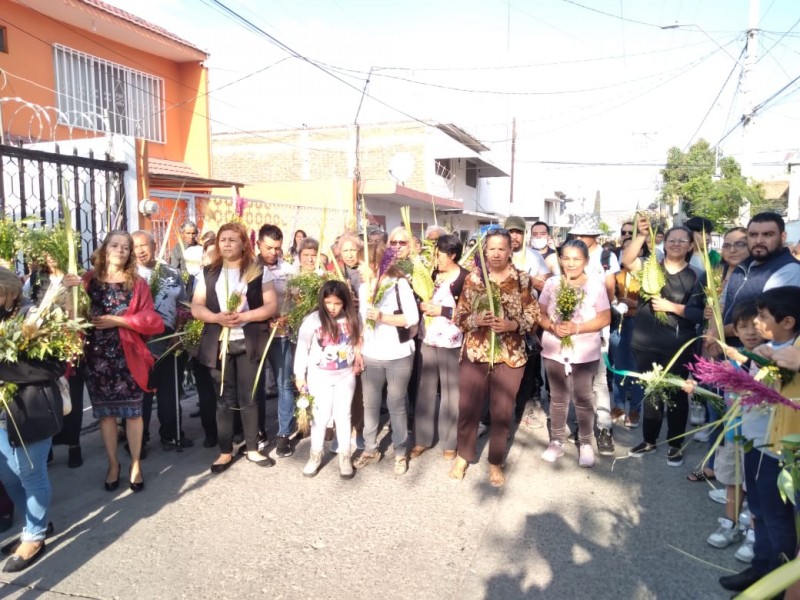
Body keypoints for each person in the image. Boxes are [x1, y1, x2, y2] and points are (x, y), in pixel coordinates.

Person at [719, 287, 800, 593]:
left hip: (784, 450)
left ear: (788, 321)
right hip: (760, 441)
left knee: (777, 518)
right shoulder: (771, 347)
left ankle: (778, 584)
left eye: (763, 317)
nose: (757, 324)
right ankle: (762, 567)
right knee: (759, 509)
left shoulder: (793, 349)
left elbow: (789, 368)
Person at [450, 228, 540, 487]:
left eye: (502, 248)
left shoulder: (522, 280)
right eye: (492, 249)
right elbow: (459, 316)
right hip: (476, 352)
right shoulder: (474, 279)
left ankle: (495, 461)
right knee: (468, 407)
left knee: (502, 412)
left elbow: (533, 315)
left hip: (509, 356)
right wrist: (475, 319)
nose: (497, 253)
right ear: (484, 251)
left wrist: (513, 326)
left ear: (511, 250)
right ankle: (463, 455)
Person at [191, 223, 278, 473]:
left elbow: (271, 305)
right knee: (223, 398)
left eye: (233, 240)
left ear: (243, 244)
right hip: (219, 342)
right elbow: (197, 306)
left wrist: (245, 316)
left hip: (248, 339)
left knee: (249, 397)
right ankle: (225, 451)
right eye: (223, 239)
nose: (227, 244)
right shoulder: (207, 272)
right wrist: (217, 317)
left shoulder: (258, 271)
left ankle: (252, 448)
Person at [83, 231, 164, 492]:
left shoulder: (136, 282)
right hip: (97, 357)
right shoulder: (88, 280)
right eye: (115, 245)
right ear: (105, 248)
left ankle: (136, 464)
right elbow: (74, 312)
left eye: (126, 247)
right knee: (106, 416)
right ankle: (113, 464)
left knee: (134, 414)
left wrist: (118, 321)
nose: (120, 250)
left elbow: (151, 320)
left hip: (128, 356)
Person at [622, 221, 706, 466]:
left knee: (678, 395)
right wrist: (642, 235)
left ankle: (675, 444)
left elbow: (700, 314)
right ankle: (649, 440)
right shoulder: (651, 268)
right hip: (646, 343)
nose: (676, 244)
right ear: (664, 242)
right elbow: (628, 260)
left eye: (682, 240)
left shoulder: (696, 277)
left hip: (678, 345)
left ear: (690, 245)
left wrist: (672, 307)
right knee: (652, 394)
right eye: (672, 239)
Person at [0, 268, 64, 572]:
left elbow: (54, 366)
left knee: (30, 473)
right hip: (1, 415)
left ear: (10, 292)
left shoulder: (34, 318)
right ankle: (33, 523)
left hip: (30, 409)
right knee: (8, 475)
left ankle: (35, 535)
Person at [538, 240, 611, 468]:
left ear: (586, 261)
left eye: (576, 259)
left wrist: (576, 328)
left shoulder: (596, 285)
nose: (571, 263)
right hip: (554, 350)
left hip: (584, 352)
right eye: (566, 258)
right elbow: (538, 314)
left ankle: (586, 442)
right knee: (558, 398)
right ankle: (557, 441)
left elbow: (605, 318)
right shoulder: (551, 284)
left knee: (583, 398)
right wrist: (552, 326)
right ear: (560, 259)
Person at [355, 242, 419, 475]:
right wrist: (359, 349)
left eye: (362, 263)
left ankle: (401, 452)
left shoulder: (399, 285)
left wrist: (382, 316)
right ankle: (370, 448)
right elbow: (362, 322)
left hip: (397, 355)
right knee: (369, 404)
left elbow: (412, 318)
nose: (358, 268)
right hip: (372, 354)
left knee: (396, 403)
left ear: (374, 264)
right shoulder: (363, 289)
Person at [294, 280, 363, 479]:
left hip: (345, 376)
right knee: (320, 416)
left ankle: (345, 457)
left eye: (337, 303)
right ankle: (315, 455)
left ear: (345, 303)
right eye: (328, 302)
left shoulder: (352, 318)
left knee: (343, 416)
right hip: (319, 376)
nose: (332, 308)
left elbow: (358, 341)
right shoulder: (313, 321)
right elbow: (302, 349)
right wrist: (300, 376)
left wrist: (358, 357)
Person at [131, 231, 192, 451]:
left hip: (168, 338)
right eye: (135, 246)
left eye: (144, 245)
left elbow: (183, 306)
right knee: (141, 394)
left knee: (169, 392)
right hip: (139, 341)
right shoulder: (128, 274)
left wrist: (178, 334)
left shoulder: (172, 272)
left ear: (155, 246)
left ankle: (171, 433)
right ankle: (139, 439)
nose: (139, 251)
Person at [412, 234, 469, 460]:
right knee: (425, 389)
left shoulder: (466, 278)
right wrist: (421, 305)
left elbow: (471, 313)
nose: (436, 259)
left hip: (451, 341)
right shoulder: (431, 274)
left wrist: (443, 311)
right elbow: (419, 297)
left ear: (453, 255)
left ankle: (449, 442)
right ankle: (422, 438)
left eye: (440, 255)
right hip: (429, 339)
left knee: (450, 392)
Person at [569, 213, 620, 456]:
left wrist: (597, 317)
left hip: (598, 327)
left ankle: (605, 428)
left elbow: (609, 292)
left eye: (582, 235)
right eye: (575, 234)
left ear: (594, 236)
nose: (578, 238)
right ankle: (583, 425)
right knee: (578, 381)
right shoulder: (572, 256)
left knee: (599, 381)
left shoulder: (607, 258)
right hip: (573, 329)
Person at [720, 212, 800, 344]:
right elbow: (721, 305)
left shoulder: (789, 270)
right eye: (753, 235)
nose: (759, 241)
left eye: (768, 234)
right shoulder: (742, 266)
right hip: (727, 352)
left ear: (783, 236)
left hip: (762, 357)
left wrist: (718, 333)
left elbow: (770, 322)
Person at [256, 224, 298, 458]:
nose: (273, 252)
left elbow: (298, 302)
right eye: (268, 247)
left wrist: (286, 317)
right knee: (256, 387)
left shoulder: (289, 270)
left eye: (277, 248)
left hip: (282, 335)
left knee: (284, 384)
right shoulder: (248, 269)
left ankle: (283, 433)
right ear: (258, 244)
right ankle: (258, 432)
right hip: (257, 336)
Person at [609, 236, 644, 428]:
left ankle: (635, 409)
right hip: (619, 323)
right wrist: (616, 304)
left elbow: (652, 305)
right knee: (619, 368)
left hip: (639, 325)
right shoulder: (617, 274)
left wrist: (633, 305)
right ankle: (619, 405)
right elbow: (610, 296)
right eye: (626, 247)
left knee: (637, 370)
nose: (630, 250)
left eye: (634, 247)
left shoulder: (647, 275)